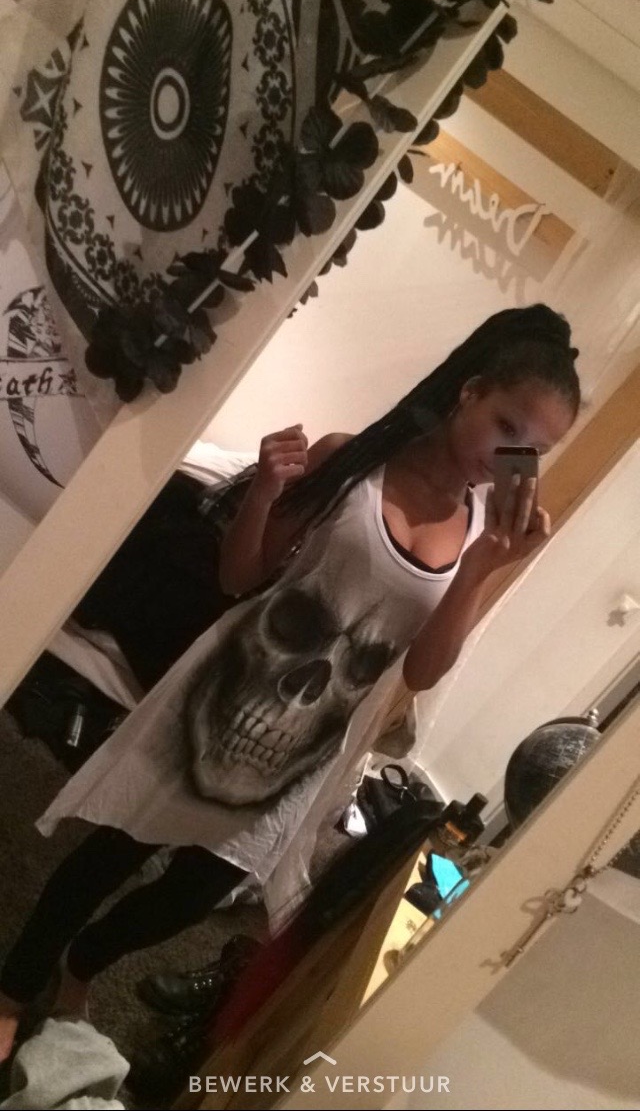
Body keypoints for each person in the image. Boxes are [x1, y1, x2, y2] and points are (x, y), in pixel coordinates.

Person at [0, 304, 581, 1061]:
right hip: (220, 700)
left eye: (532, 450)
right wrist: (264, 492)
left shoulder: (480, 535)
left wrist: (480, 570)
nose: (511, 457)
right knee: (117, 843)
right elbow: (239, 575)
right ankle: (14, 988)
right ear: (470, 391)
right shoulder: (354, 462)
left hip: (309, 747)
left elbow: (420, 670)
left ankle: (83, 962)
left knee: (192, 894)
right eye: (506, 426)